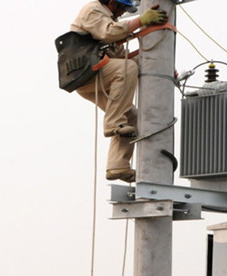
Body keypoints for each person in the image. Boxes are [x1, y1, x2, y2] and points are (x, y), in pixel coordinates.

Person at [71, 0, 168, 182]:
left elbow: (120, 56)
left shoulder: (109, 19)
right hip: (85, 71)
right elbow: (108, 33)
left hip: (95, 76)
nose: (123, 12)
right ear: (112, 2)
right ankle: (114, 123)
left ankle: (117, 166)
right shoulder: (93, 10)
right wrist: (141, 21)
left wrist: (162, 66)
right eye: (122, 7)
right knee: (127, 68)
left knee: (132, 117)